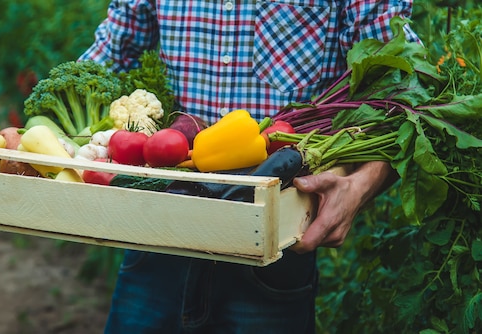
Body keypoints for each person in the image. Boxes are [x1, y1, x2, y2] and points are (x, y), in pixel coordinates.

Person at [79, 1, 416, 333]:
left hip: (275, 235)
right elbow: (111, 55)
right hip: (159, 220)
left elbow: (400, 90)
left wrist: (359, 188)